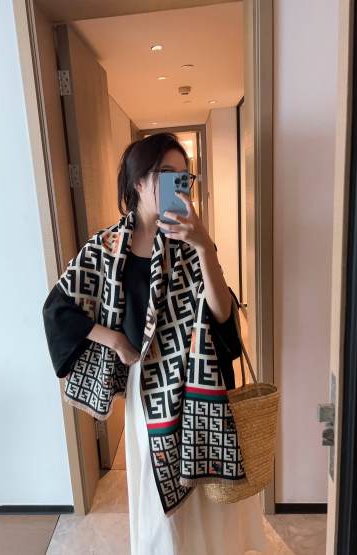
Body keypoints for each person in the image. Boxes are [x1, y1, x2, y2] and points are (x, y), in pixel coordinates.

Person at [43, 132, 267, 554]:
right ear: (139, 181)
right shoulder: (105, 248)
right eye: (167, 174)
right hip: (147, 392)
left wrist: (204, 247)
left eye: (185, 176)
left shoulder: (192, 241)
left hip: (198, 381)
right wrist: (114, 340)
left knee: (208, 498)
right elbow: (58, 309)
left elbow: (223, 315)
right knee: (158, 498)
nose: (178, 184)